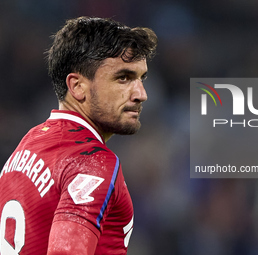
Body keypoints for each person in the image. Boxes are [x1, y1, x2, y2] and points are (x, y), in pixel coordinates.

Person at [0, 16, 157, 255]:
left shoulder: (29, 144)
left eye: (141, 78)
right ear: (77, 86)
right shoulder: (92, 162)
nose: (141, 94)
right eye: (123, 78)